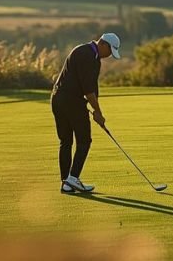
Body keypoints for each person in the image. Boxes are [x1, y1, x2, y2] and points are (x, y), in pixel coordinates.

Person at [51, 32, 121, 193]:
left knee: (66, 141)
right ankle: (73, 178)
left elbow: (92, 88)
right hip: (71, 102)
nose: (110, 55)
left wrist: (97, 111)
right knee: (84, 140)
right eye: (110, 51)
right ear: (103, 44)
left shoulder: (90, 54)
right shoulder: (88, 56)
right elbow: (88, 91)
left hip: (58, 99)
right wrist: (97, 111)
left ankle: (67, 183)